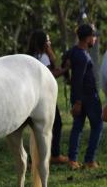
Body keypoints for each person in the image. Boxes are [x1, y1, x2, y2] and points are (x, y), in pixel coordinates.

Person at [27, 30, 69, 165]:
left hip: (31, 96)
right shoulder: (43, 57)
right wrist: (65, 69)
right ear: (43, 42)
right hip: (44, 97)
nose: (50, 43)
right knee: (57, 124)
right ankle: (54, 154)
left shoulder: (31, 56)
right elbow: (50, 75)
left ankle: (33, 158)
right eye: (48, 40)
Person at [67, 23, 103, 170]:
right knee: (98, 126)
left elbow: (66, 64)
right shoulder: (82, 56)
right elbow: (78, 79)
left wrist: (75, 98)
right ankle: (89, 160)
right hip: (87, 97)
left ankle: (72, 160)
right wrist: (78, 102)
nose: (95, 39)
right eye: (93, 36)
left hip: (80, 96)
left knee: (77, 127)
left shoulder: (74, 51)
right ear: (88, 38)